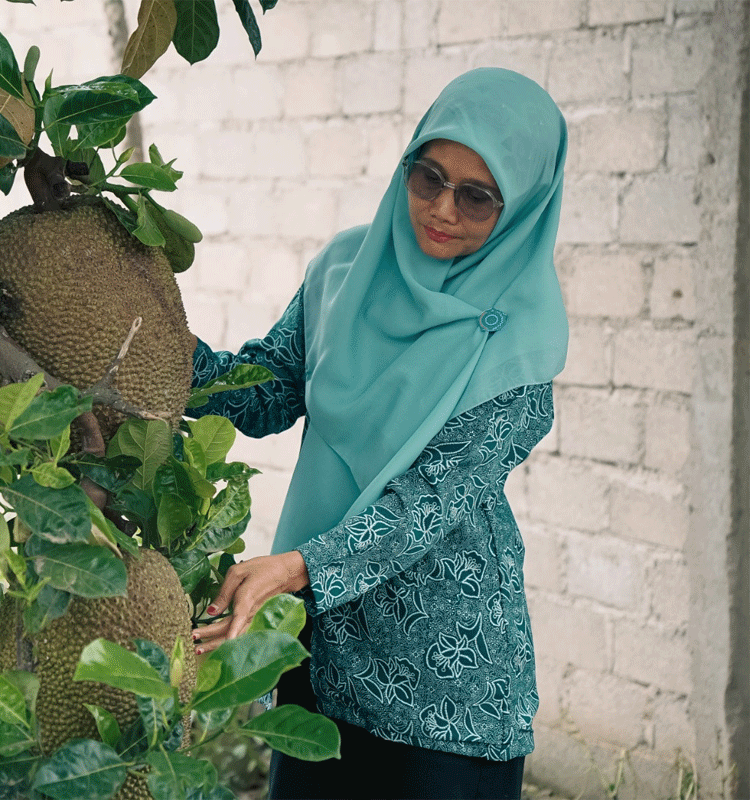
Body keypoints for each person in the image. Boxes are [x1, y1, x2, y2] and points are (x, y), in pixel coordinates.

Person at [188, 68, 568, 800]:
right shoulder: (345, 267)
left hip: (443, 685)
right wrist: (157, 345)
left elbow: (421, 508)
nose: (440, 209)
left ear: (522, 207)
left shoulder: (524, 346)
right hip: (321, 653)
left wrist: (292, 569)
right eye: (428, 176)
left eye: (477, 196)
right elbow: (270, 389)